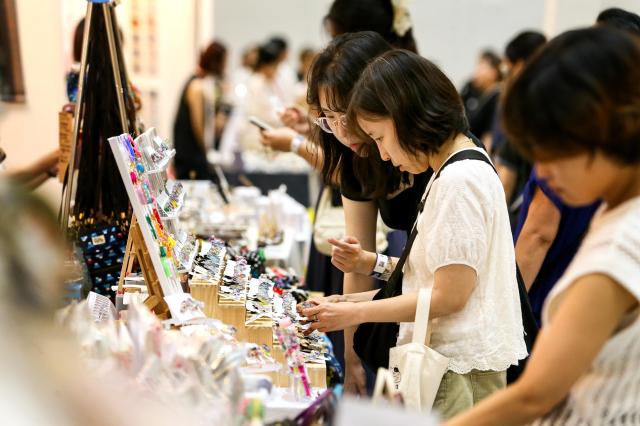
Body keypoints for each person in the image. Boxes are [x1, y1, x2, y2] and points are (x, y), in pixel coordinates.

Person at [301, 50, 526, 419]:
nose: (383, 156)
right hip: (444, 365)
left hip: (453, 370)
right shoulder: (451, 170)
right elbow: (431, 278)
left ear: (406, 116)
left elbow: (448, 297)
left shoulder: (459, 179)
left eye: (379, 138)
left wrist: (357, 312)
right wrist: (350, 304)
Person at [447, 26, 640, 425]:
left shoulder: (623, 242)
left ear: (603, 130)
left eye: (552, 152)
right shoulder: (617, 208)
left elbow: (533, 396)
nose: (544, 173)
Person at [260, 0, 426, 396]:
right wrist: (351, 356)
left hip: (437, 295)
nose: (340, 131)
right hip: (406, 281)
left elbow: (443, 290)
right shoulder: (353, 154)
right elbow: (357, 256)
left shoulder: (427, 146)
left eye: (346, 115)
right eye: (327, 119)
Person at [513, 10, 640, 327]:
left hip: (548, 298)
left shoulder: (570, 132)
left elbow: (538, 234)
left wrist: (506, 316)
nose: (543, 171)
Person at [492, 31, 546, 229]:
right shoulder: (548, 100)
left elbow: (506, 181)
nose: (504, 77)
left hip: (520, 215)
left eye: (507, 69)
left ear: (520, 65)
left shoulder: (523, 105)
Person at [173, 40, 228, 179]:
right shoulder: (196, 86)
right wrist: (207, 153)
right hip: (190, 156)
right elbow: (199, 127)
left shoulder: (202, 82)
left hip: (191, 154)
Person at [459, 50, 502, 148]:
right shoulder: (470, 87)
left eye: (482, 67)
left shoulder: (496, 96)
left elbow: (490, 134)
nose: (477, 70)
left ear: (494, 72)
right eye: (477, 66)